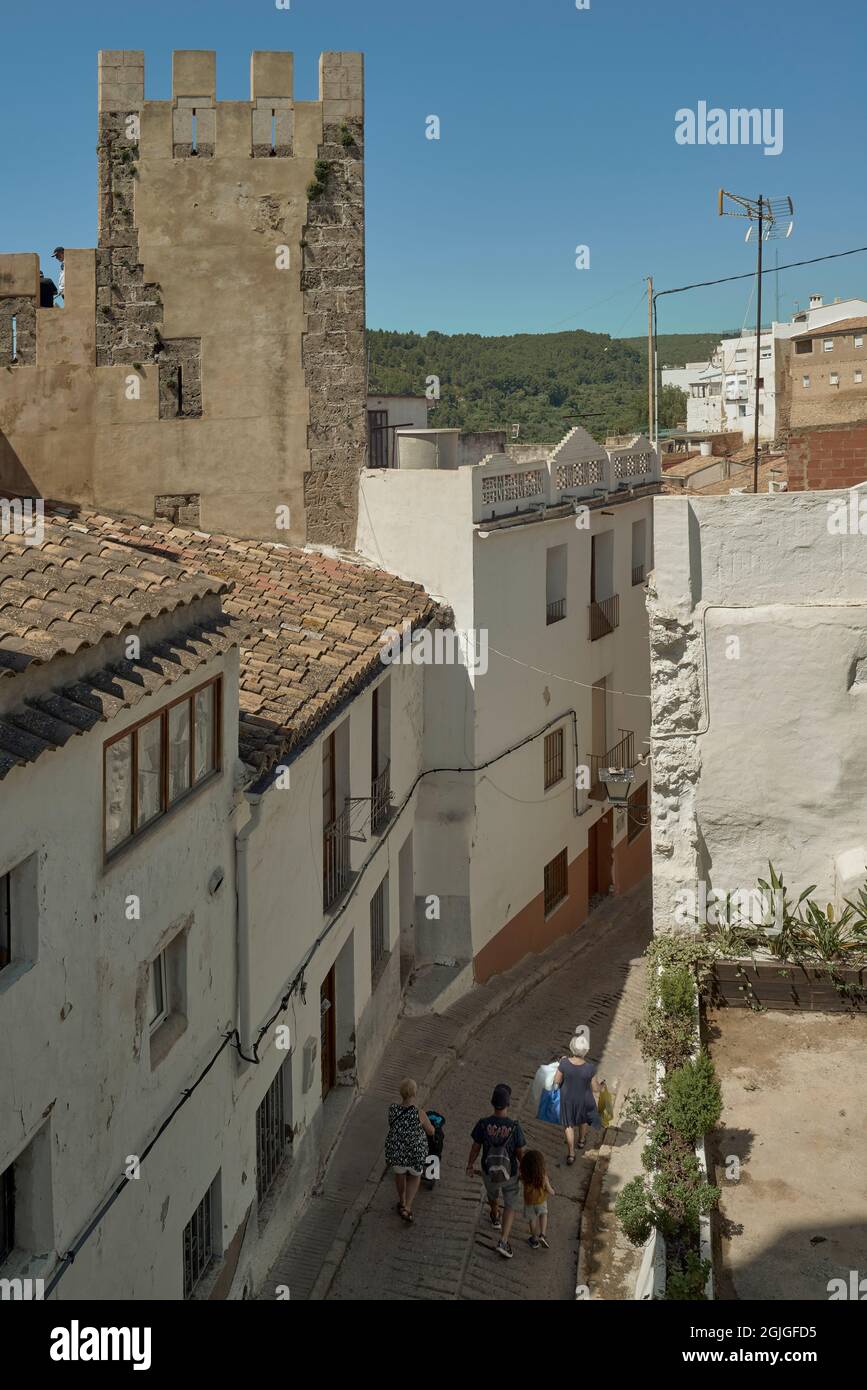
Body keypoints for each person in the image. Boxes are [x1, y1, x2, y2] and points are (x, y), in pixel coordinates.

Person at [466, 1083, 526, 1259]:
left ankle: (494, 1215)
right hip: (510, 1173)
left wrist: (470, 1164)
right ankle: (504, 1241)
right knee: (510, 1204)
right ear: (508, 1105)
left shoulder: (483, 1124)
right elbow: (520, 1153)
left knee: (492, 1195)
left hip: (489, 1172)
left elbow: (476, 1147)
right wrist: (524, 1169)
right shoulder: (514, 1127)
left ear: (492, 1103)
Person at [385, 1077, 434, 1224]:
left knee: (400, 1174)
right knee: (414, 1176)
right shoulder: (419, 1113)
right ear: (414, 1093)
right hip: (415, 1151)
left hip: (397, 1151)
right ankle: (407, 1206)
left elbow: (392, 1126)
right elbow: (431, 1131)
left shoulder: (392, 1109)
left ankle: (401, 1201)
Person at [554, 1034, 601, 1163]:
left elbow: (556, 1080)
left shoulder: (564, 1063)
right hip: (583, 1099)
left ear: (572, 1048)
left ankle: (571, 1154)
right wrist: (602, 1086)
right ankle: (581, 1141)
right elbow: (596, 1088)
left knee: (568, 1125)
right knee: (582, 1120)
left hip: (567, 1099)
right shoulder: (590, 1068)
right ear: (586, 1051)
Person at [520, 1149, 555, 1249]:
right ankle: (542, 1234)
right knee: (543, 1215)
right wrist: (552, 1191)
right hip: (541, 1201)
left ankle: (534, 1239)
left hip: (529, 1203)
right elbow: (549, 1190)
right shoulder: (543, 1177)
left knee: (532, 1220)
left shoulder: (525, 1176)